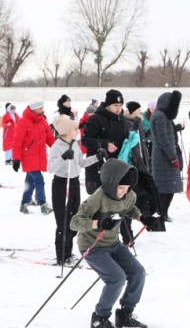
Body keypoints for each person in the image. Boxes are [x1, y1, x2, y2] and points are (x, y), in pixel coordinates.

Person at [70, 159, 164, 328]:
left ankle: (124, 314)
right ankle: (100, 318)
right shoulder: (97, 199)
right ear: (111, 183)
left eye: (128, 188)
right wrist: (98, 222)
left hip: (113, 244)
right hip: (93, 245)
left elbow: (129, 208)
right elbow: (74, 223)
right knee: (116, 278)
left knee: (138, 273)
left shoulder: (129, 195)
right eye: (121, 188)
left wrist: (142, 217)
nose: (124, 192)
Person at [48, 116, 103, 265]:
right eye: (74, 129)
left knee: (74, 220)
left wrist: (96, 158)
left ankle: (69, 251)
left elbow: (81, 162)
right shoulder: (57, 146)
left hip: (74, 183)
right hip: (61, 184)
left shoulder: (74, 144)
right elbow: (50, 168)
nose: (77, 131)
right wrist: (63, 157)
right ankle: (62, 255)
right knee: (63, 222)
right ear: (65, 131)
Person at [121, 101, 161, 243]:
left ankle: (148, 221)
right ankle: (127, 233)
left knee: (145, 195)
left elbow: (143, 141)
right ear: (132, 111)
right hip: (132, 167)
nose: (140, 111)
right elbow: (129, 146)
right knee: (131, 199)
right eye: (137, 109)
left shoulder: (139, 123)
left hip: (143, 165)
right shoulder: (126, 124)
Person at [12, 101, 56, 215]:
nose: (43, 109)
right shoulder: (23, 122)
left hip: (39, 156)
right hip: (28, 157)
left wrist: (57, 148)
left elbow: (49, 138)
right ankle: (43, 204)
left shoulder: (42, 121)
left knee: (30, 182)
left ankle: (24, 204)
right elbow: (17, 142)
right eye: (40, 108)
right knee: (39, 180)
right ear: (34, 109)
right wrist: (15, 159)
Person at [82, 90, 129, 195]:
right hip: (98, 165)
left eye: (120, 105)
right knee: (99, 198)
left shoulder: (123, 120)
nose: (118, 108)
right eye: (115, 105)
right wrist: (104, 144)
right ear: (108, 105)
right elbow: (85, 140)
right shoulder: (95, 119)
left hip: (117, 164)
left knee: (116, 197)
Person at [150, 90, 184, 221]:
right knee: (165, 188)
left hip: (167, 157)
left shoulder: (163, 117)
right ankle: (161, 212)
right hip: (163, 158)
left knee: (169, 187)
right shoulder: (159, 117)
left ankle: (163, 212)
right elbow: (163, 139)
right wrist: (173, 157)